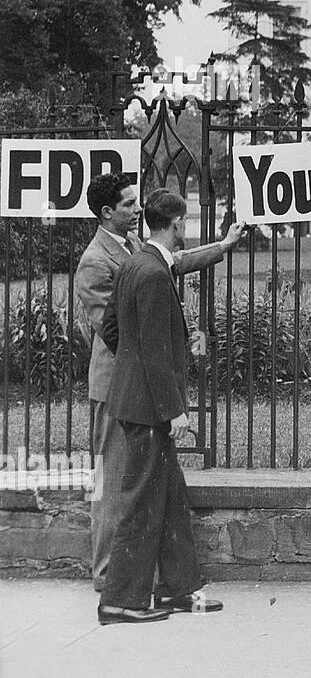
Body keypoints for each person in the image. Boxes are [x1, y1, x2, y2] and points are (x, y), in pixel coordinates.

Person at [75, 172, 243, 592]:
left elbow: (172, 261)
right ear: (106, 212)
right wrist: (155, 356)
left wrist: (220, 247)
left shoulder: (133, 247)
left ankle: (141, 576)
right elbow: (110, 331)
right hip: (118, 382)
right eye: (129, 205)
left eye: (136, 203)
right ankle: (106, 576)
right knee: (114, 482)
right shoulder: (95, 260)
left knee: (140, 483)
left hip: (138, 381)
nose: (137, 210)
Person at [97, 189, 227, 624]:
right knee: (141, 503)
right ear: (177, 225)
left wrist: (133, 368)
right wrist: (175, 410)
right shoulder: (152, 272)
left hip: (136, 400)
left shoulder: (137, 262)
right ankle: (120, 600)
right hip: (151, 408)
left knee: (170, 498)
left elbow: (114, 330)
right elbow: (152, 349)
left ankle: (180, 589)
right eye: (184, 224)